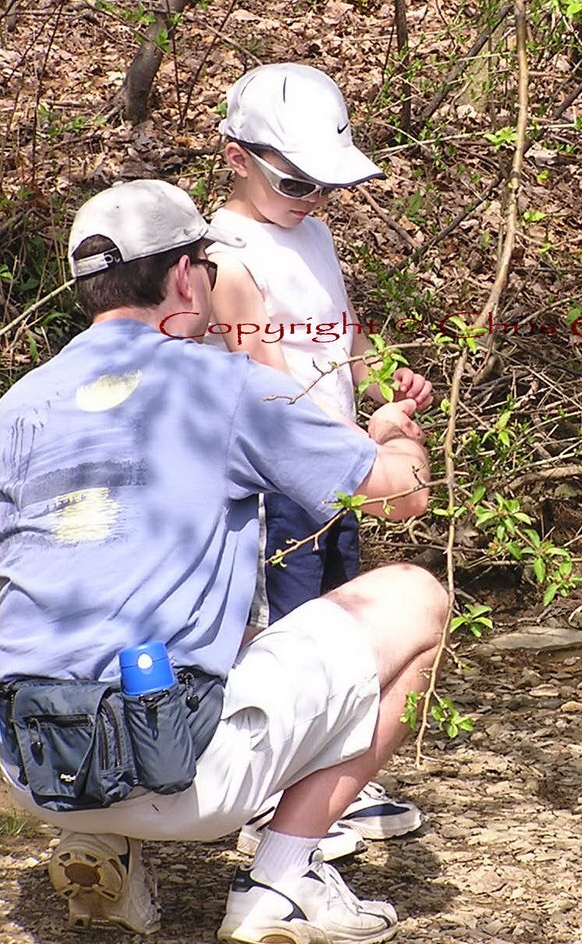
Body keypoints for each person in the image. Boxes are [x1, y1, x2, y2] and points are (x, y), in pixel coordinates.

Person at [0, 180, 447, 943]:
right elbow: (398, 498)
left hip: (32, 766)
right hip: (181, 771)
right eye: (203, 260)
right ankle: (282, 883)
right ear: (181, 276)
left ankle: (106, 848)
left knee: (134, 602)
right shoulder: (221, 384)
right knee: (414, 596)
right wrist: (394, 430)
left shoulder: (19, 404)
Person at [203, 62, 432, 857]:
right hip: (278, 483)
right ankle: (269, 796)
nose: (314, 200)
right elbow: (261, 385)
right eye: (298, 183)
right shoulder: (227, 256)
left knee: (344, 621)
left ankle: (331, 781)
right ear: (238, 157)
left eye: (326, 187)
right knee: (287, 629)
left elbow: (343, 331)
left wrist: (383, 388)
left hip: (332, 467)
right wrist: (362, 447)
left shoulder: (315, 234)